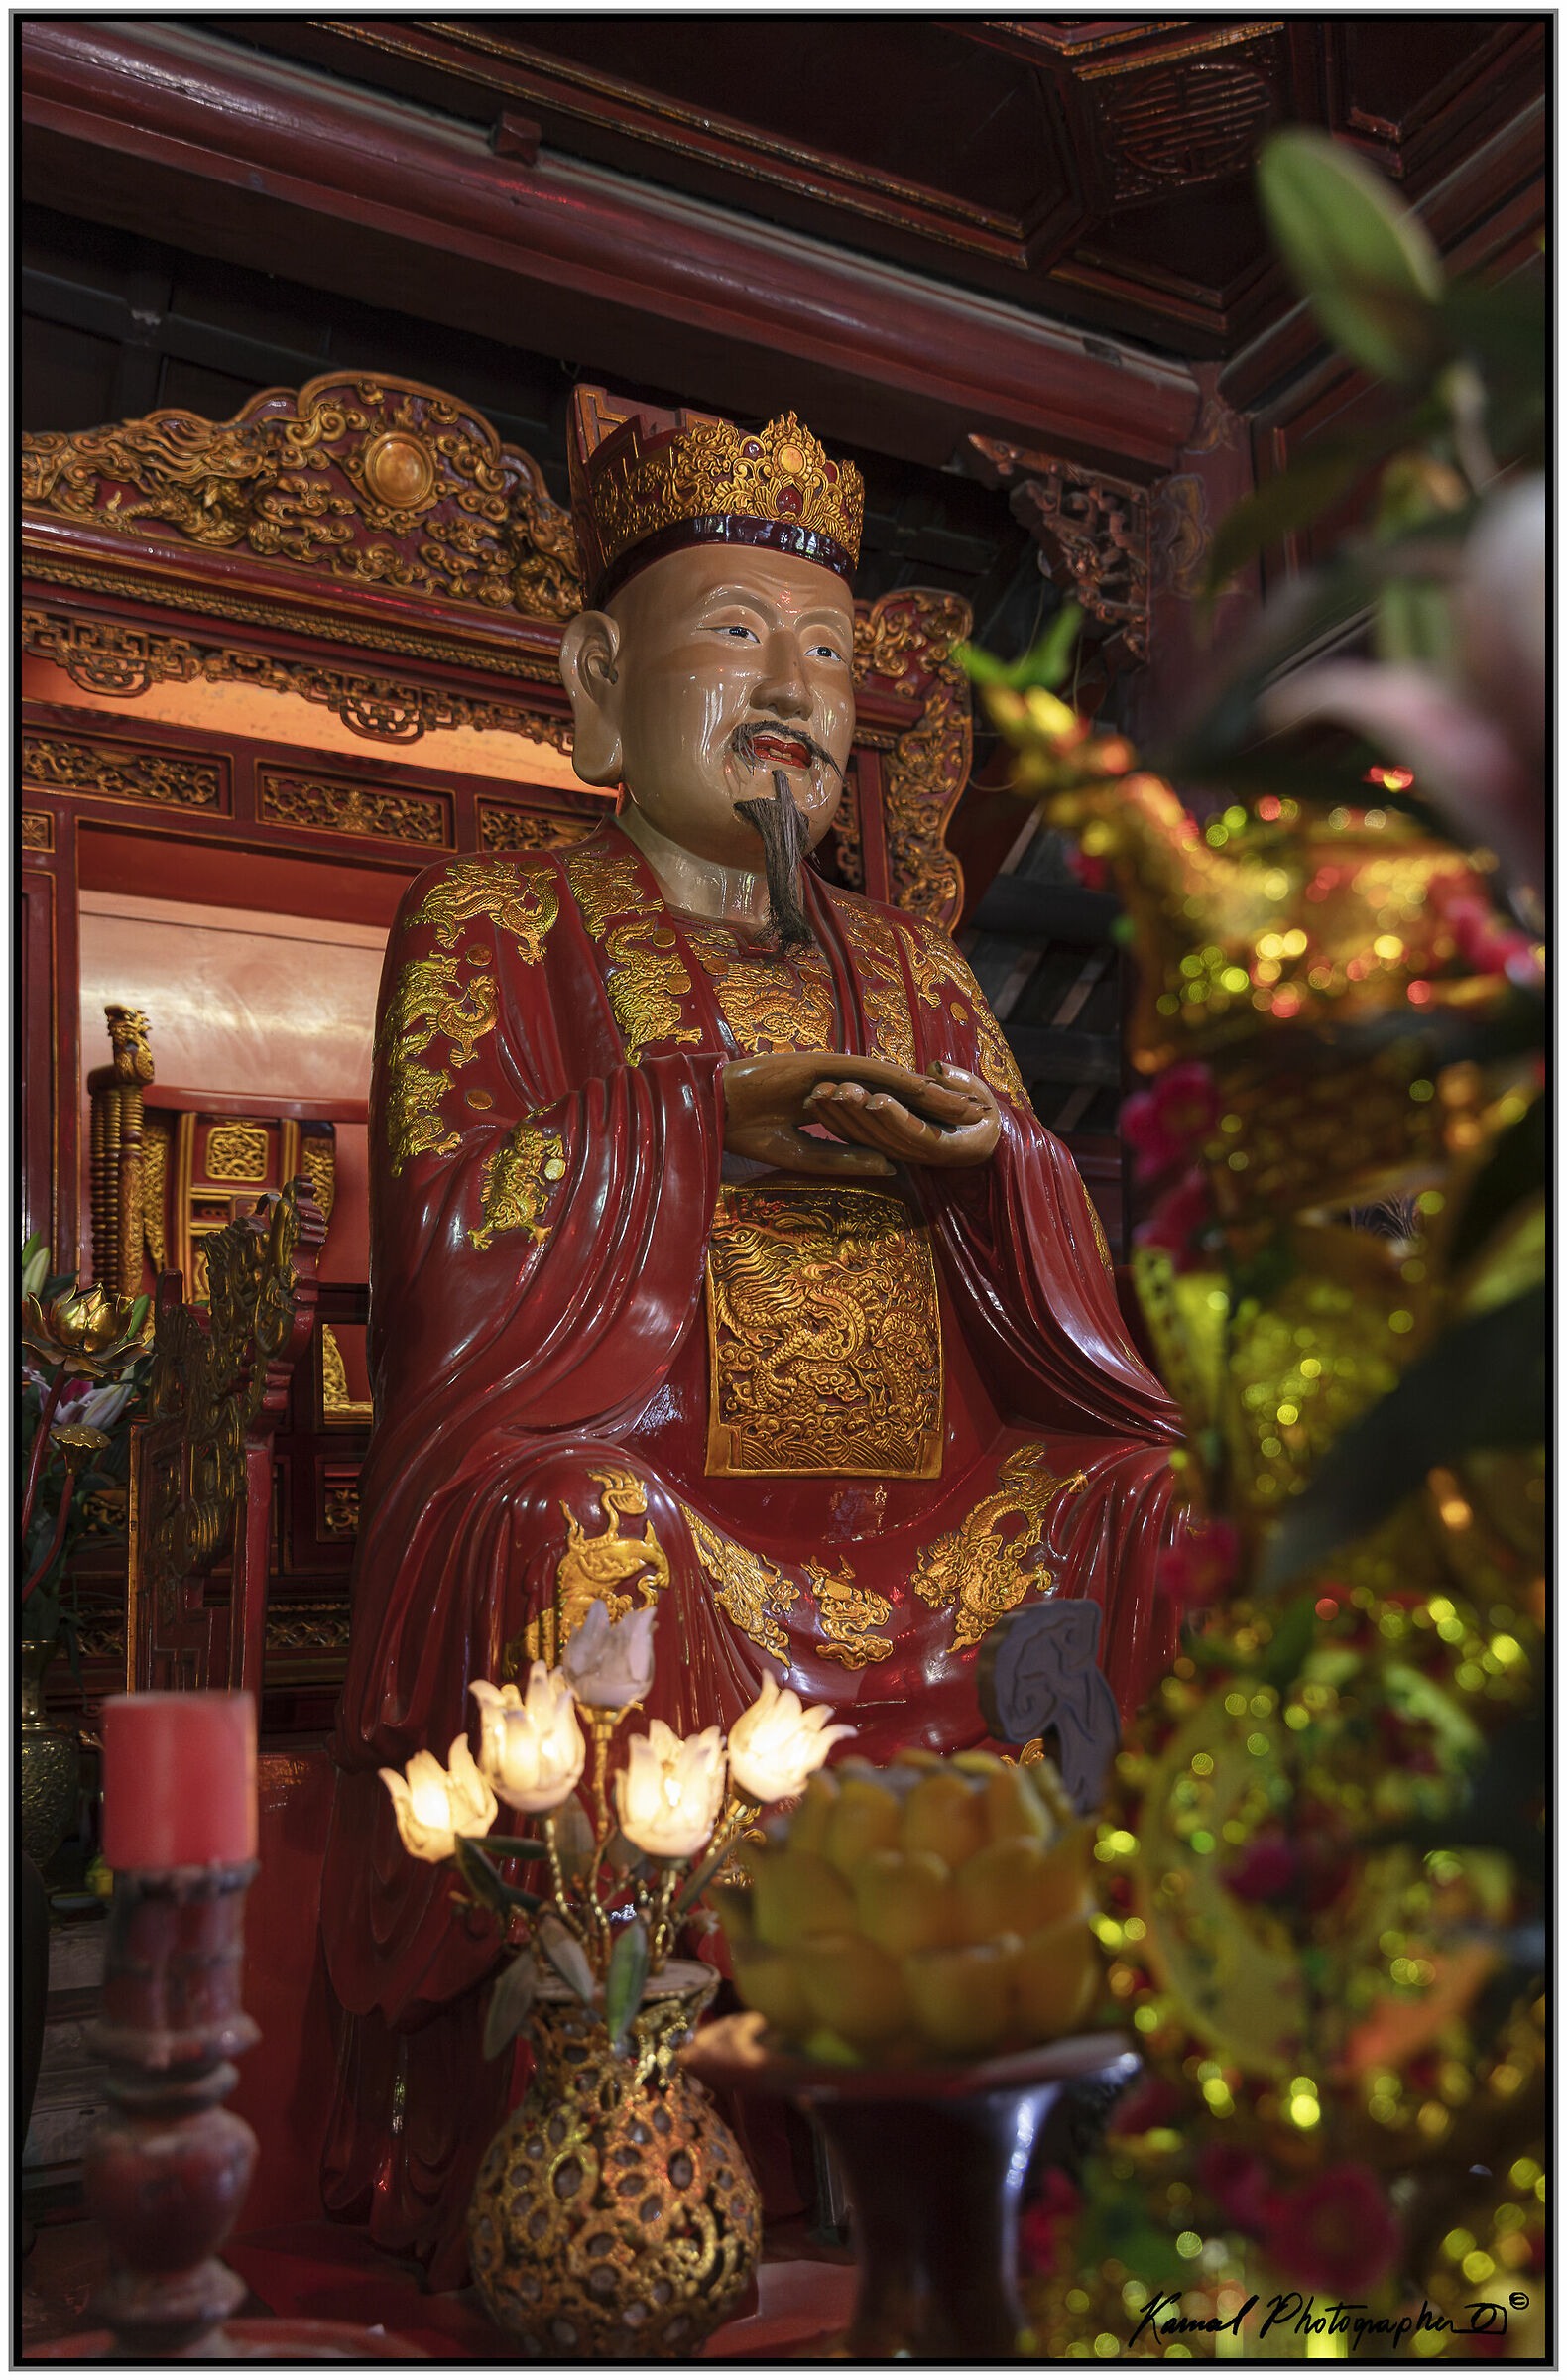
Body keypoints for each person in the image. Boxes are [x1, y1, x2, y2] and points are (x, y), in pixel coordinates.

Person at [319, 388, 1183, 2276]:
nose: (791, 687)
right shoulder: (491, 918)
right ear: (597, 684)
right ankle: (633, 2102)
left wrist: (1000, 1172)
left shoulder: (924, 963)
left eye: (820, 652)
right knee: (567, 1532)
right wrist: (698, 1128)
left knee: (1152, 1507)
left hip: (935, 1523)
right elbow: (456, 1230)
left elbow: (1054, 1289)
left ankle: (1179, 2035)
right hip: (662, 1492)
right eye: (733, 638)